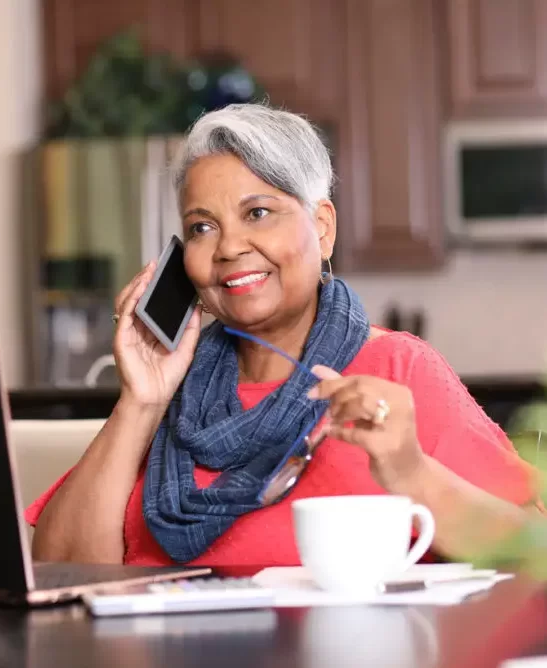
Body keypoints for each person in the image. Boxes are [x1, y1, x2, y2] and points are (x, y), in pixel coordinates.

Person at [27, 103, 541, 566]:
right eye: (202, 227)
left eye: (257, 213)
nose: (229, 247)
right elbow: (59, 571)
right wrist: (141, 402)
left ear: (321, 227)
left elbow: (530, 552)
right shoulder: (166, 394)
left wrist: (411, 471)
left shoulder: (397, 368)